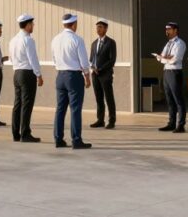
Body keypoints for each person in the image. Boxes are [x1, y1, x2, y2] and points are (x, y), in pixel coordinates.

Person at [52, 13, 92, 149]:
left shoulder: (55, 39)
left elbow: (54, 59)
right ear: (74, 24)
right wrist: (87, 76)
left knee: (60, 109)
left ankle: (58, 139)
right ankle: (76, 140)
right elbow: (84, 61)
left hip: (60, 76)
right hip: (74, 76)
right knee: (75, 109)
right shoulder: (77, 40)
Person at [8, 13, 43, 143]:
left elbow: (11, 58)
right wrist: (38, 74)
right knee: (27, 105)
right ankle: (25, 134)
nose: (33, 26)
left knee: (17, 104)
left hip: (16, 73)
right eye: (32, 24)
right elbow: (33, 59)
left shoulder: (13, 40)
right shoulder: (28, 40)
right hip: (27, 73)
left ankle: (15, 133)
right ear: (27, 25)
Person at [154, 22, 187, 133]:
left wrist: (164, 58)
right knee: (169, 98)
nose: (167, 31)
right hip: (166, 71)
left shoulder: (180, 43)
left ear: (175, 30)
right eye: (166, 29)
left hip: (174, 71)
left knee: (178, 99)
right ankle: (171, 123)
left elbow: (175, 59)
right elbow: (161, 58)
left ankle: (181, 124)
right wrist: (165, 58)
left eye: (169, 29)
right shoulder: (168, 44)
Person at [89, 19, 117, 129]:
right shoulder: (94, 43)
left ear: (106, 28)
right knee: (98, 97)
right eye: (97, 27)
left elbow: (112, 60)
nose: (98, 29)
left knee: (109, 97)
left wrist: (100, 68)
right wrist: (92, 67)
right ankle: (100, 120)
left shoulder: (111, 42)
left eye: (100, 27)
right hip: (95, 75)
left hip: (105, 74)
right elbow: (91, 59)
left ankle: (112, 120)